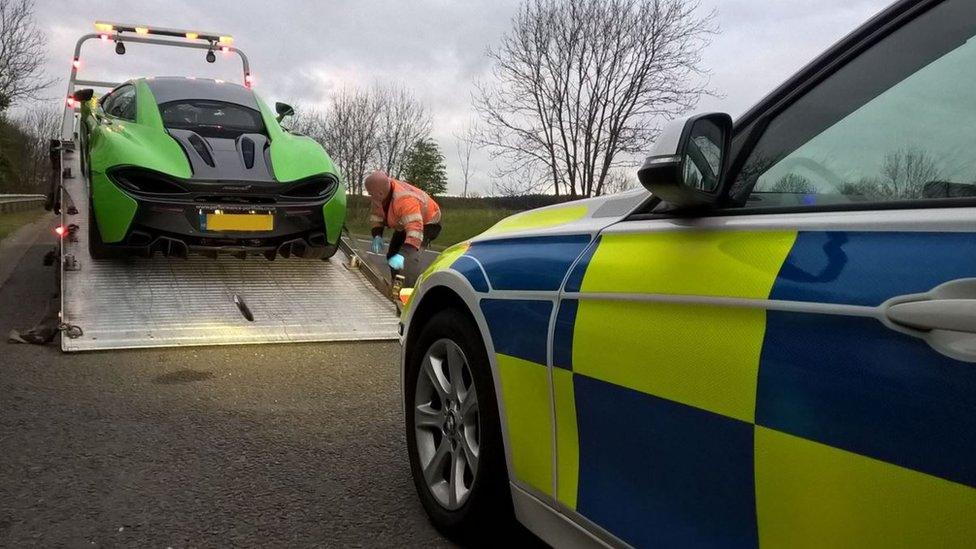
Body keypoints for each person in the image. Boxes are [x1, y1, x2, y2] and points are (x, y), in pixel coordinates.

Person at [365, 171, 442, 286]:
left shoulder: (404, 200)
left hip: (428, 222)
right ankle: (396, 287)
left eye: (371, 194)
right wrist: (377, 235)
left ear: (380, 193)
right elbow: (377, 216)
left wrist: (405, 252)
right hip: (406, 222)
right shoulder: (381, 194)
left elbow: (415, 231)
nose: (370, 196)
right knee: (393, 254)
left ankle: (408, 293)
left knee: (408, 258)